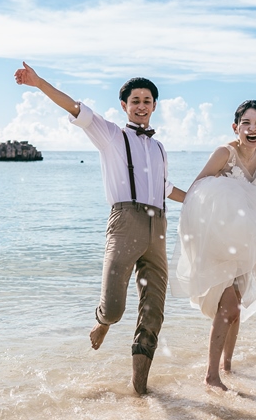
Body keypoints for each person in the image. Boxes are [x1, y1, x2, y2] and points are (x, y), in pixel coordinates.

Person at [14, 62, 186, 394]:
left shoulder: (159, 147)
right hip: (125, 222)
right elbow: (74, 107)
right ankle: (103, 321)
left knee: (154, 311)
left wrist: (200, 199)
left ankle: (140, 388)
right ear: (124, 105)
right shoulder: (111, 135)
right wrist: (38, 83)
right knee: (115, 307)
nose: (141, 106)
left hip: (158, 227)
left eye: (147, 101)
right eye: (135, 100)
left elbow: (166, 189)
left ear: (154, 106)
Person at [171, 100, 256, 390]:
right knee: (227, 308)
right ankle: (211, 375)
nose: (252, 129)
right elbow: (197, 192)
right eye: (246, 123)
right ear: (236, 127)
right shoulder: (224, 153)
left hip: (243, 241)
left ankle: (227, 366)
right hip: (216, 240)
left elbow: (253, 197)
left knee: (237, 307)